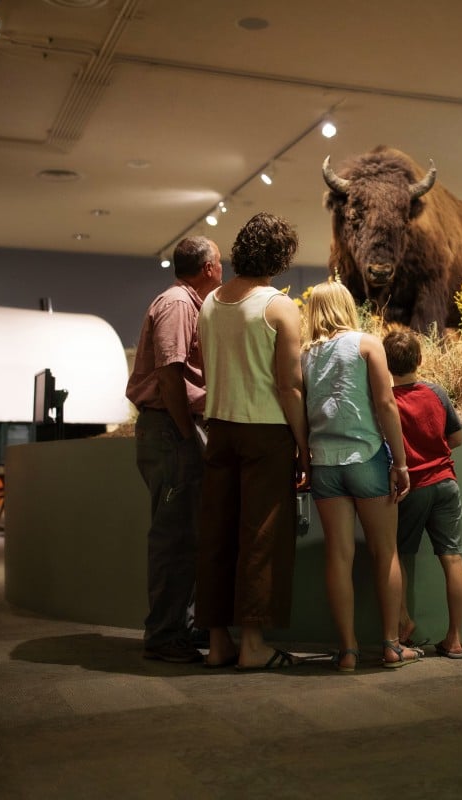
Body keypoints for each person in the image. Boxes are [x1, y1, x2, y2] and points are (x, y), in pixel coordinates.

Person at [195, 213, 309, 670]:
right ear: (280, 258)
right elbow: (290, 386)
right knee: (261, 537)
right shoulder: (279, 307)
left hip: (218, 429)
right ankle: (254, 644)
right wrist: (303, 444)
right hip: (265, 432)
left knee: (217, 535)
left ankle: (218, 640)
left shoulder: (208, 304)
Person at [301, 281, 421, 671]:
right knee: (384, 552)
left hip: (323, 463)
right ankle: (390, 645)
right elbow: (386, 404)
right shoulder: (367, 344)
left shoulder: (302, 355)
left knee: (338, 555)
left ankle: (348, 651)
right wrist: (400, 462)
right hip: (366, 457)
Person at [126, 235, 223, 663]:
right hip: (171, 430)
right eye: (220, 263)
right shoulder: (180, 305)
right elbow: (169, 373)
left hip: (171, 429)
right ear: (207, 268)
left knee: (185, 533)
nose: (223, 270)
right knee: (174, 537)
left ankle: (179, 629)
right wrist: (186, 435)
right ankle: (165, 635)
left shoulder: (185, 303)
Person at [383, 328, 462, 659]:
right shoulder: (436, 392)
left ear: (385, 365)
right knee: (453, 557)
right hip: (446, 483)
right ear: (419, 359)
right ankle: (456, 638)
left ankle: (402, 623)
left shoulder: (388, 400)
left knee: (400, 555)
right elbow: (457, 438)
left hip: (412, 488)